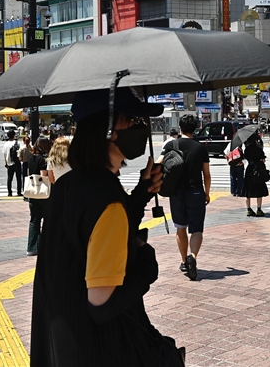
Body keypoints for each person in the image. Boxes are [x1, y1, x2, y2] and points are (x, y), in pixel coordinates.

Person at [30, 87, 181, 365]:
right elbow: (102, 303)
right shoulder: (107, 200)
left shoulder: (68, 185)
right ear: (109, 131)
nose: (139, 127)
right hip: (100, 347)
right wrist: (146, 268)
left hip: (61, 346)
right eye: (132, 120)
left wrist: (141, 194)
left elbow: (87, 237)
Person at [160, 114, 210, 281]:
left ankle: (183, 261)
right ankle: (193, 257)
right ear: (195, 128)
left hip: (177, 193)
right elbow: (206, 175)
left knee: (180, 227)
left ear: (180, 128)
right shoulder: (200, 147)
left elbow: (159, 165)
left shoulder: (171, 145)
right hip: (195, 191)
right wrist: (207, 192)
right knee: (196, 229)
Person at [26, 137, 52, 256]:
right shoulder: (43, 159)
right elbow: (43, 175)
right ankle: (44, 246)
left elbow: (28, 173)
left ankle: (32, 247)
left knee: (34, 220)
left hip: (32, 192)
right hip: (42, 193)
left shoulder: (31, 158)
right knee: (47, 219)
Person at [242, 133, 268, 217]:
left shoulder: (246, 149)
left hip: (249, 170)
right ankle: (259, 209)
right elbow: (263, 160)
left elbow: (245, 158)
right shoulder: (258, 149)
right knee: (259, 190)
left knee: (247, 191)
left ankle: (249, 209)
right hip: (258, 170)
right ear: (255, 140)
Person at [2, 130, 22, 197]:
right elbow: (20, 153)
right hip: (17, 162)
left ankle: (9, 192)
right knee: (18, 178)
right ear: (14, 135)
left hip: (9, 163)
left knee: (9, 178)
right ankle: (19, 192)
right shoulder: (18, 143)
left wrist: (6, 163)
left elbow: (5, 155)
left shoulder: (5, 144)